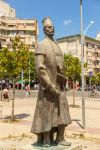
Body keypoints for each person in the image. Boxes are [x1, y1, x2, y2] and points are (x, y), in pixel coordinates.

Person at [31, 17, 72, 147]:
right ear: (44, 29)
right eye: (49, 27)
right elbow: (40, 68)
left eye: (53, 26)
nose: (52, 28)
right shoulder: (42, 45)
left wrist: (64, 79)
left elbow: (60, 65)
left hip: (60, 85)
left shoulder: (56, 45)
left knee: (63, 113)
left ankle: (60, 137)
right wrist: (49, 85)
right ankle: (46, 139)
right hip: (48, 87)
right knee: (47, 113)